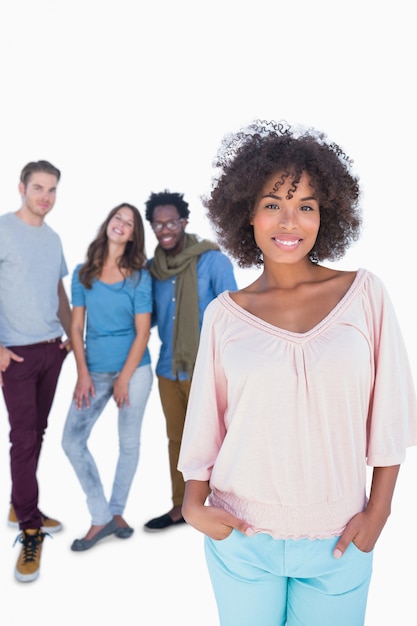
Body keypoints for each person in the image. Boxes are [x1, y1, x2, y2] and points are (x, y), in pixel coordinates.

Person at [178, 120, 417, 625]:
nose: (290, 222)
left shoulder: (365, 295)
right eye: (273, 205)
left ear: (325, 214)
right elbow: (205, 424)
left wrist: (381, 510)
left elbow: (391, 414)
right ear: (248, 214)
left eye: (305, 206)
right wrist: (194, 507)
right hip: (240, 537)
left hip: (339, 541)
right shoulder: (225, 313)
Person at [143, 190, 237, 531]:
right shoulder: (152, 269)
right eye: (158, 223)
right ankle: (180, 508)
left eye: (171, 222)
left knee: (224, 441)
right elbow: (148, 318)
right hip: (169, 368)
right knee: (178, 441)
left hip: (210, 370)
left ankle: (227, 505)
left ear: (184, 222)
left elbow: (234, 316)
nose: (165, 229)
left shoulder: (213, 260)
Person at [62, 203, 153, 551]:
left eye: (129, 223)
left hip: (135, 370)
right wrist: (83, 374)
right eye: (118, 217)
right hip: (94, 371)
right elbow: (76, 326)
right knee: (71, 441)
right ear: (108, 223)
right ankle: (100, 514)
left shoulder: (139, 277)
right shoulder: (83, 273)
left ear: (133, 235)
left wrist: (124, 378)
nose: (121, 225)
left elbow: (143, 333)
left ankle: (116, 513)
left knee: (128, 444)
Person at [0, 160, 71, 583]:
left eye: (52, 189)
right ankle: (29, 527)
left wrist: (68, 339)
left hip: (50, 351)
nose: (45, 196)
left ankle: (18, 503)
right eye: (38, 187)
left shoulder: (54, 238)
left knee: (35, 434)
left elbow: (57, 291)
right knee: (23, 437)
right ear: (22, 187)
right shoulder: (4, 229)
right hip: (18, 356)